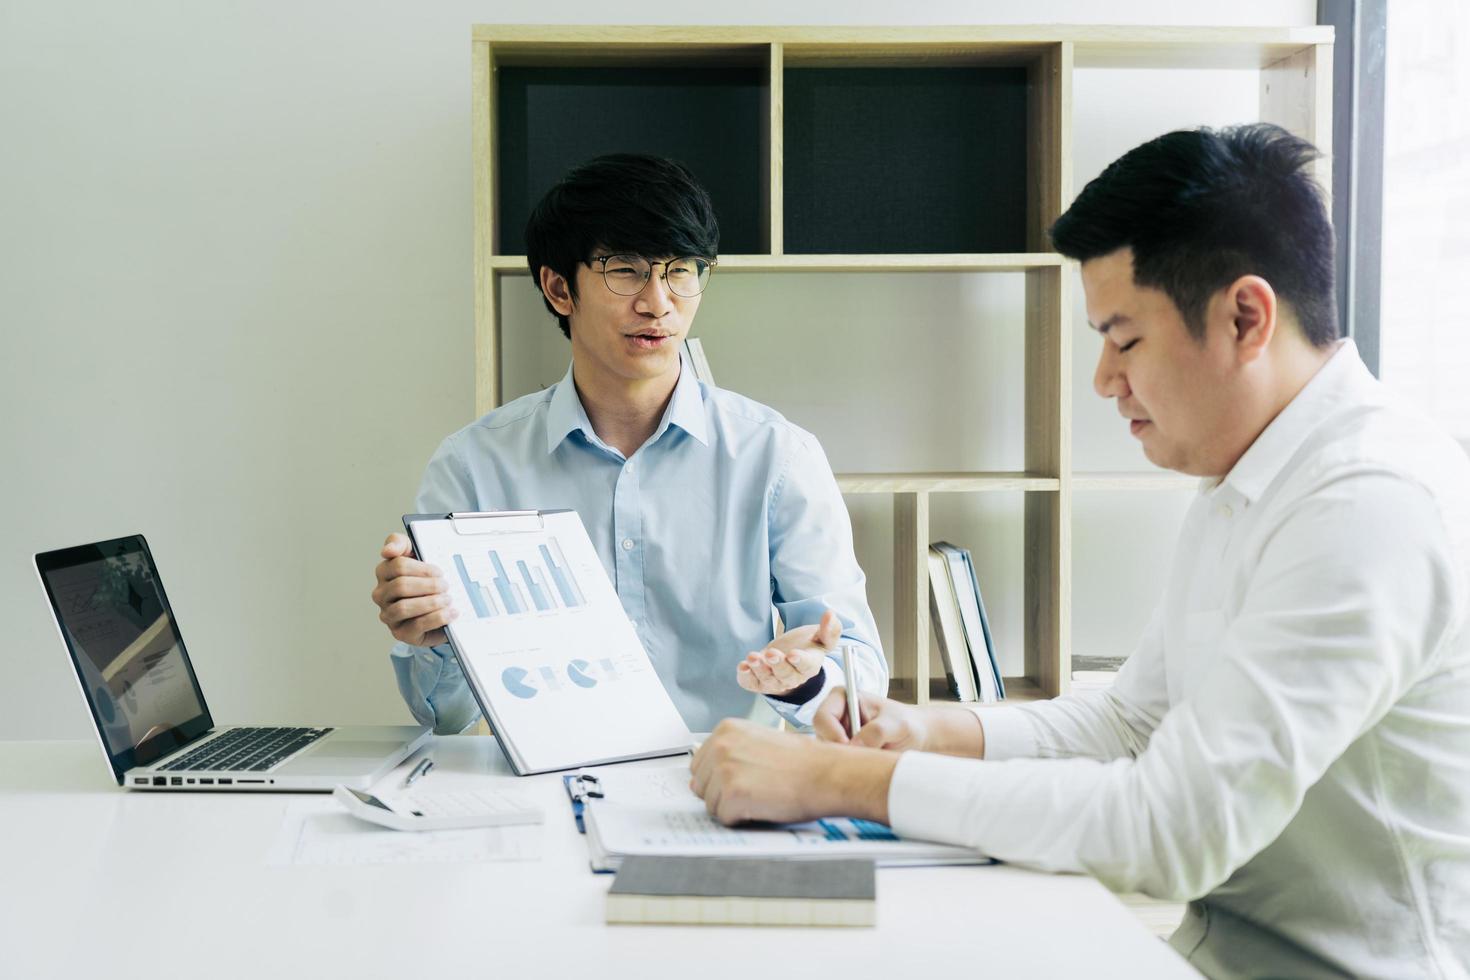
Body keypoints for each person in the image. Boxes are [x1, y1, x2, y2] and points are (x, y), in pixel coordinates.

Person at [690, 124, 1470, 978]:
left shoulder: (1368, 506)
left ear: (1246, 316)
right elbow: (1129, 722)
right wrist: (923, 730)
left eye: (1124, 338)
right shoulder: (1250, 479)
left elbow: (1174, 831)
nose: (1103, 378)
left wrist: (832, 782)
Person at [370, 153, 885, 735]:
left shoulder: (778, 459)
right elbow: (444, 717)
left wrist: (807, 676)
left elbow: (860, 676)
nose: (659, 302)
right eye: (626, 270)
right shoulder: (474, 467)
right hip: (549, 788)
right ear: (560, 289)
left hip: (725, 785)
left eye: (681, 270)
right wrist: (431, 638)